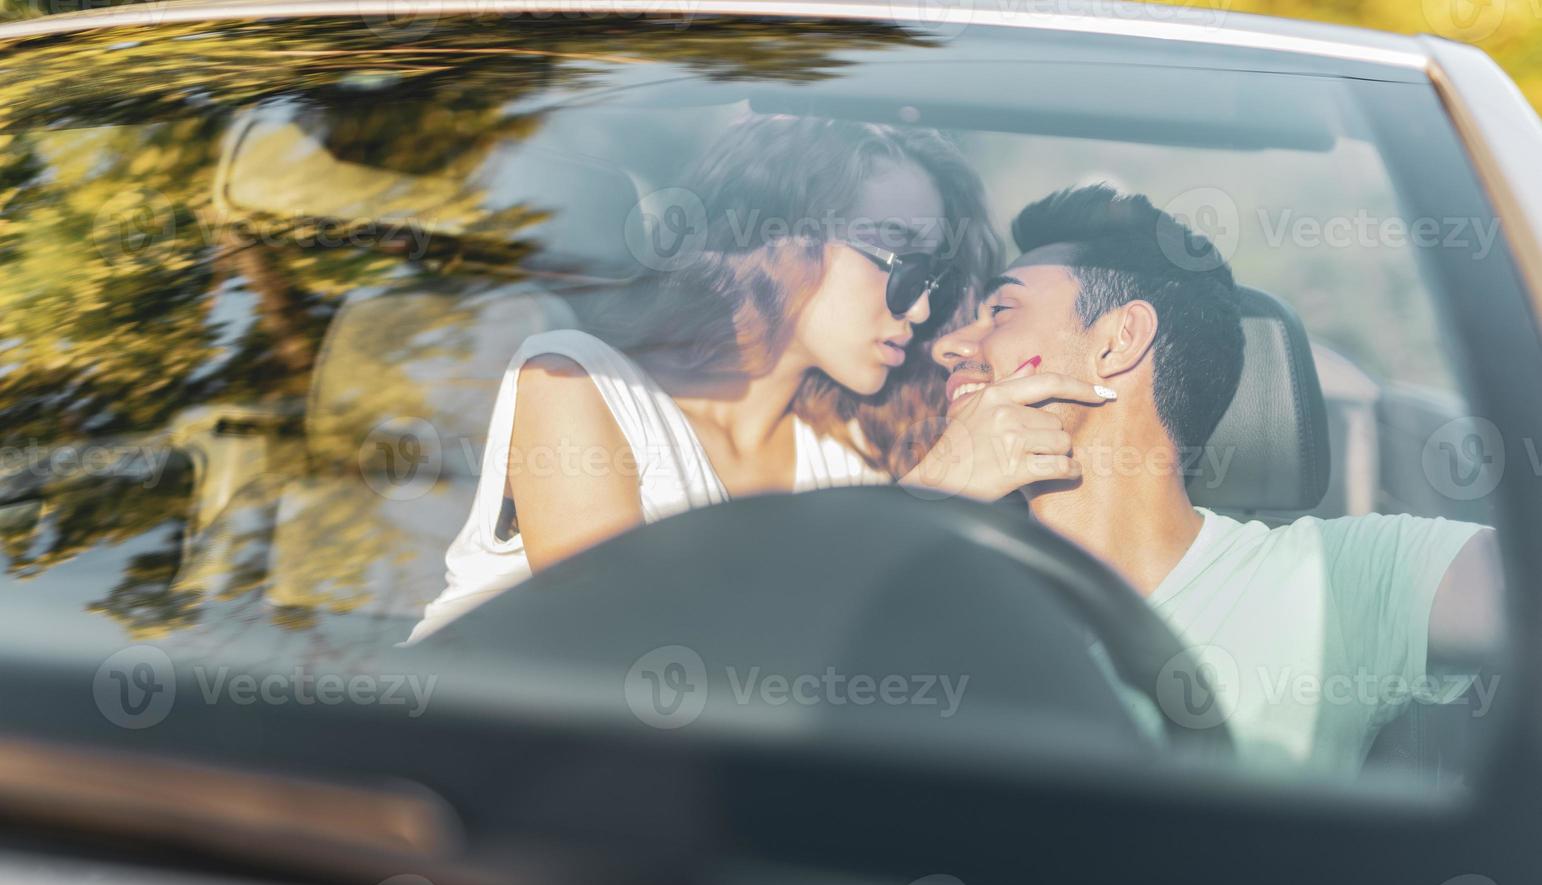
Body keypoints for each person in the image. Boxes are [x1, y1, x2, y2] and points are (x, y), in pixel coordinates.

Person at [911, 184, 1504, 773]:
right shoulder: (935, 587)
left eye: (999, 310)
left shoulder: (1336, 579)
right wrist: (927, 497)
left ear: (1119, 341)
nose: (949, 347)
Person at [407, 115, 999, 643]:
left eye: (935, 280)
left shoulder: (854, 449)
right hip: (426, 756)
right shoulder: (575, 383)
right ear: (782, 236)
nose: (920, 310)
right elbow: (621, 649)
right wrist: (938, 492)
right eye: (905, 264)